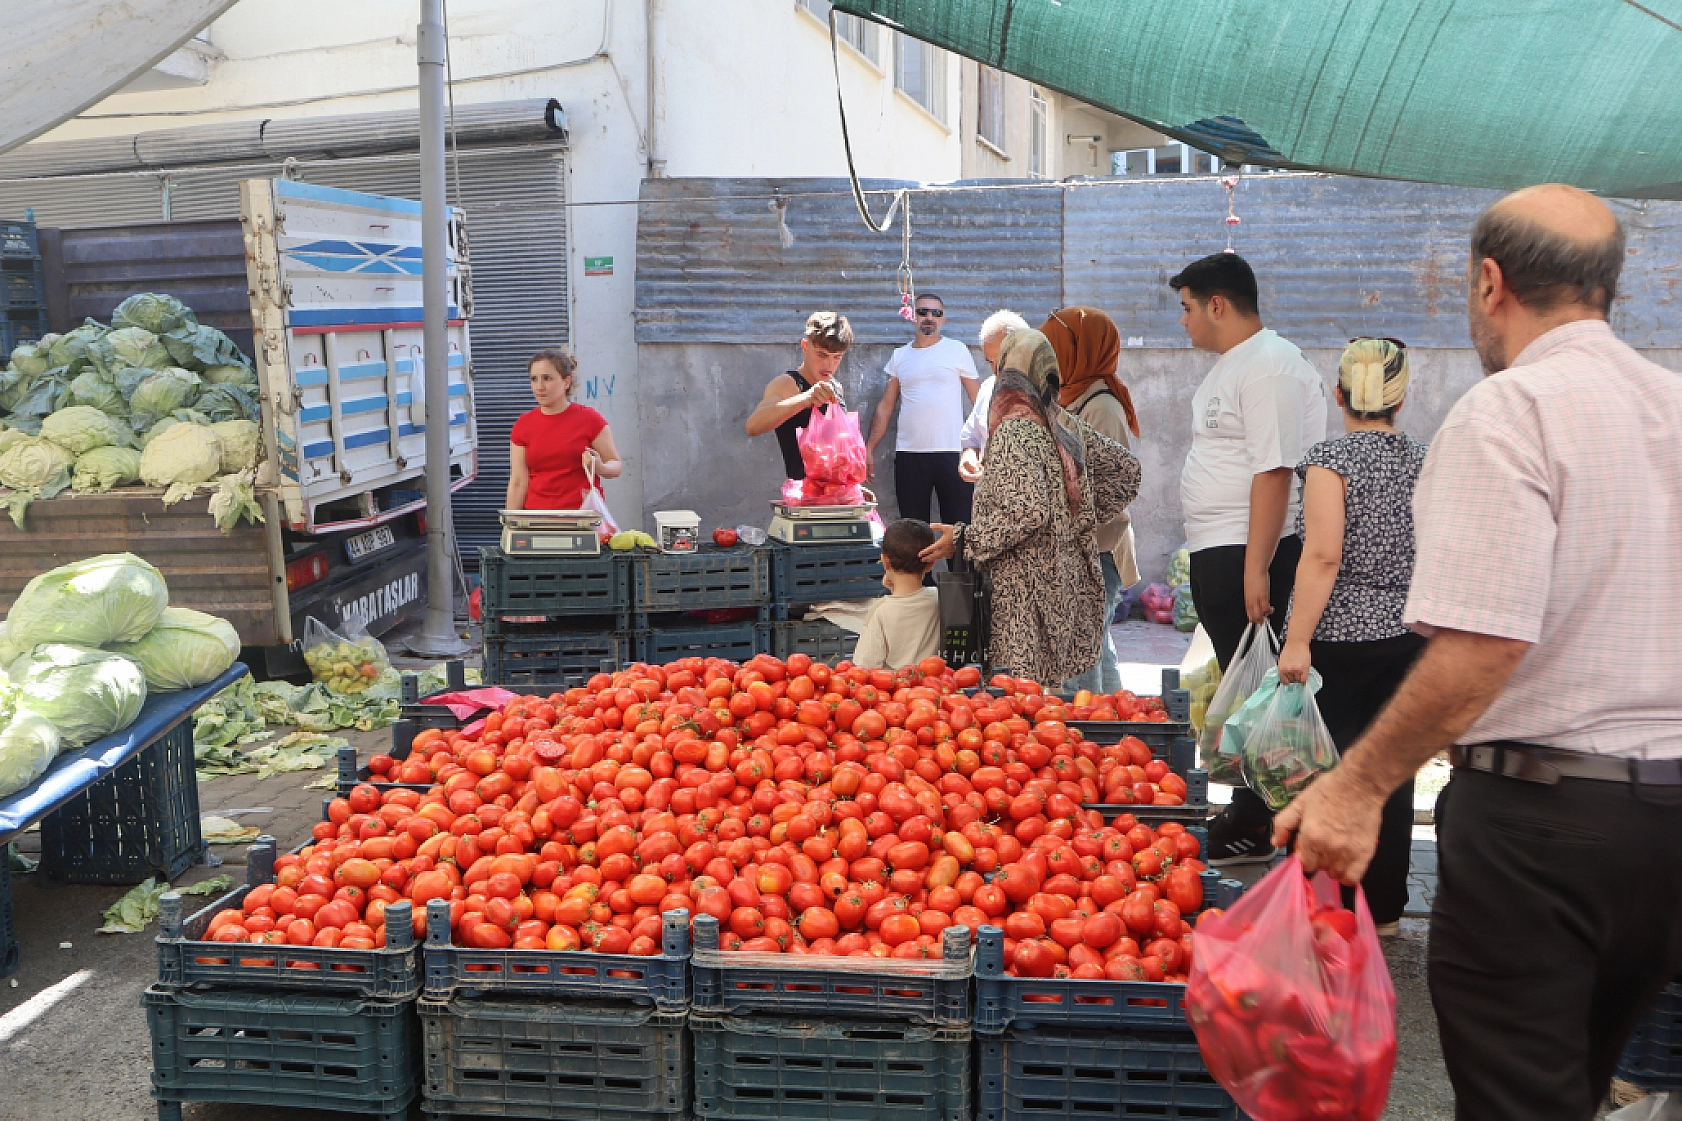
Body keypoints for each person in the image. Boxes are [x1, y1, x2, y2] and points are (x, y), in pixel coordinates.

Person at [1274, 185, 1682, 1121]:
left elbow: (1485, 642)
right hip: (1668, 819)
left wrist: (1355, 786)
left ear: (1490, 283)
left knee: (1519, 1097)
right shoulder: (1674, 404)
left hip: (1543, 824)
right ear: (1609, 286)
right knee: (1577, 1078)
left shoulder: (1508, 411)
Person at [1172, 251, 1328, 865]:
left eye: (1187, 308)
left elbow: (1275, 469)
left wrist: (1257, 567)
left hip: (1251, 550)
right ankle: (1251, 810)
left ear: (1217, 304)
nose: (1182, 321)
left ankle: (1263, 819)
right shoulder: (1236, 364)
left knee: (1267, 694)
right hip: (1223, 546)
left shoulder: (1270, 365)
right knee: (1249, 692)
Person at [1275, 337, 1428, 936]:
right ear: (1400, 399)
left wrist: (1296, 640)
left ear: (1338, 395)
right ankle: (1383, 910)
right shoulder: (1426, 459)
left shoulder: (1329, 458)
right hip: (1409, 635)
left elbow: (1322, 556)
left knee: (1325, 768)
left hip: (1338, 638)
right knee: (1390, 771)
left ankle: (1325, 902)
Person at [919, 330, 1141, 684]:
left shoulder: (1014, 430)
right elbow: (1126, 470)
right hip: (1064, 576)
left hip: (1022, 589)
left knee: (1020, 695)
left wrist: (964, 539)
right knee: (1049, 693)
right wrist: (1077, 516)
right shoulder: (1061, 422)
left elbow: (1028, 512)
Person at [1041, 306, 1144, 694]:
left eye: (1053, 347)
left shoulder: (1100, 408)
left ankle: (1082, 726)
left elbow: (1108, 488)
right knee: (1095, 651)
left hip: (1093, 551)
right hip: (1077, 548)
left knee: (1078, 660)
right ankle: (1115, 724)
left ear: (1079, 350)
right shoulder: (1071, 398)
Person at [865, 292, 981, 523]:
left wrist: (984, 447)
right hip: (910, 456)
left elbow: (979, 400)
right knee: (913, 531)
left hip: (953, 454)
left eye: (936, 313)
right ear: (913, 317)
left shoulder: (957, 350)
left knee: (959, 529)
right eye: (922, 311)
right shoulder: (899, 356)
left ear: (943, 320)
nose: (929, 317)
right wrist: (868, 448)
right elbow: (886, 406)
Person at [507, 348, 623, 510]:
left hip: (582, 517)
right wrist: (511, 521)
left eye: (547, 378)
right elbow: (518, 482)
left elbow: (615, 464)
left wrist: (601, 467)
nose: (539, 386)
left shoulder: (590, 419)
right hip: (536, 518)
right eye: (534, 379)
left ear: (566, 382)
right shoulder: (523, 424)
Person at [745, 311, 853, 479]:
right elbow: (753, 426)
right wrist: (804, 399)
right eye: (821, 355)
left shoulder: (836, 387)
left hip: (836, 490)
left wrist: (852, 484)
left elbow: (837, 451)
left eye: (837, 357)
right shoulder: (787, 384)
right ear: (805, 346)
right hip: (803, 492)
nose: (829, 365)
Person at [851, 519, 942, 671]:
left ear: (884, 561)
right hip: (934, 682)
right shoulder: (939, 598)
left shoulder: (880, 611)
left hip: (895, 685)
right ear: (930, 564)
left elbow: (864, 667)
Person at [958, 309, 1030, 483]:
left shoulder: (1048, 393)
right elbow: (971, 438)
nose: (996, 369)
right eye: (990, 361)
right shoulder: (988, 387)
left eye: (1002, 360)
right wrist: (968, 458)